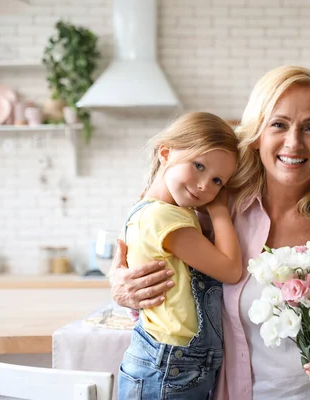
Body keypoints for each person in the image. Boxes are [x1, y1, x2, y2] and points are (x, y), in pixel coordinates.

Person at [110, 66, 310, 400]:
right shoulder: (218, 210)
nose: (294, 142)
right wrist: (124, 290)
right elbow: (167, 286)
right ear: (257, 132)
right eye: (279, 124)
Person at [117, 112, 243, 399]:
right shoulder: (163, 218)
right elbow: (231, 269)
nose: (204, 186)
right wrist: (220, 208)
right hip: (169, 365)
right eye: (198, 165)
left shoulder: (169, 211)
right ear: (165, 152)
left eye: (217, 181)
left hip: (175, 363)